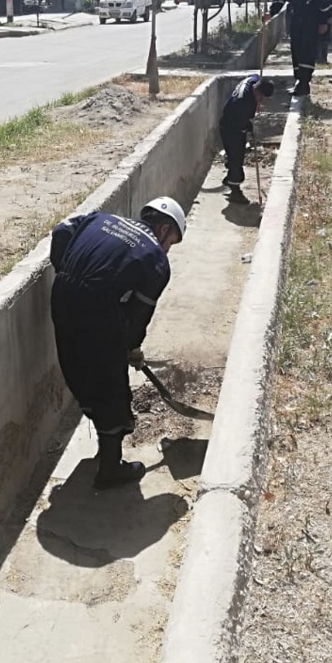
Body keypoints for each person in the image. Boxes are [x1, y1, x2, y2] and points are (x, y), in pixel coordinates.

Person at [49, 197, 186, 489]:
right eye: (170, 243)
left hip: (62, 294)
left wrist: (69, 271)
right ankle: (110, 469)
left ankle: (104, 443)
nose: (167, 250)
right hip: (97, 312)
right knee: (110, 384)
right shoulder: (155, 259)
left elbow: (61, 231)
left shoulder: (101, 219)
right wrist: (131, 347)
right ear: (163, 230)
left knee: (78, 368)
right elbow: (139, 315)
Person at [263, 0, 332, 97]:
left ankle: (304, 82)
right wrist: (270, 14)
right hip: (295, 18)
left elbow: (324, 4)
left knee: (307, 49)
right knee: (296, 49)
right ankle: (299, 80)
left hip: (311, 18)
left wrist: (323, 21)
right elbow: (278, 1)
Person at [220, 74, 275, 204]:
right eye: (261, 97)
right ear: (257, 90)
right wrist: (251, 127)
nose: (261, 101)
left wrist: (256, 104)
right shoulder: (242, 103)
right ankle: (235, 191)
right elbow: (240, 124)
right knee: (236, 158)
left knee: (236, 154)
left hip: (233, 121)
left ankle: (230, 176)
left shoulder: (254, 80)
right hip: (230, 127)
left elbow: (255, 78)